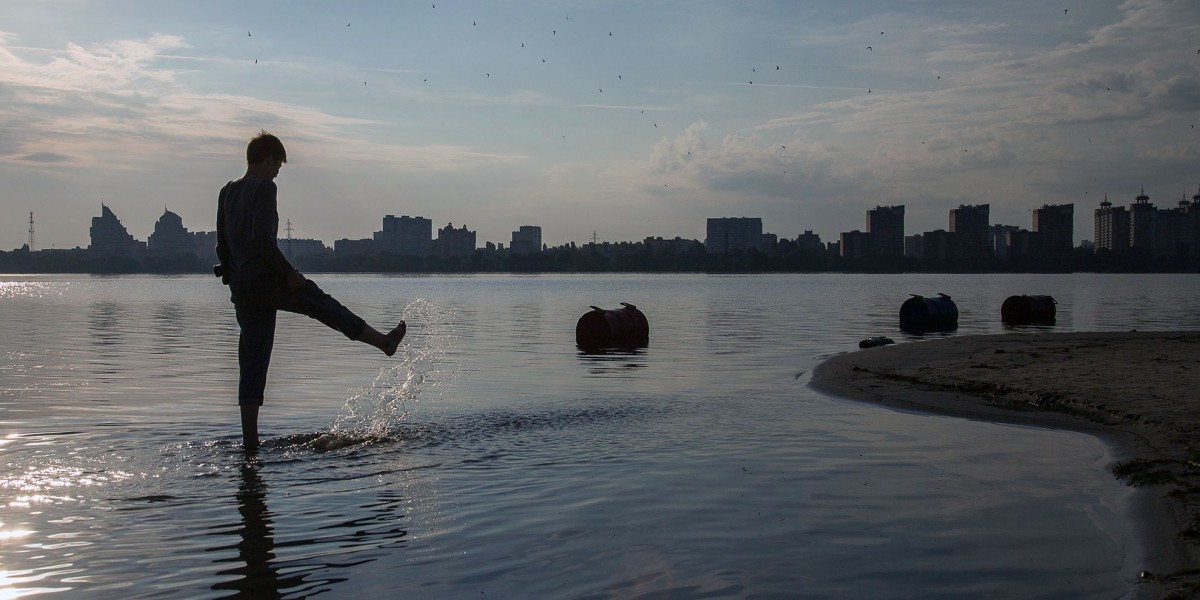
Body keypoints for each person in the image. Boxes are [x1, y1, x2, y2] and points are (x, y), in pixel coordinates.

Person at [216, 130, 406, 453]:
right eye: (277, 165)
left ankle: (250, 444)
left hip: (242, 287)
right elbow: (262, 240)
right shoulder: (264, 188)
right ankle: (384, 342)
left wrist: (231, 276)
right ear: (266, 159)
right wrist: (289, 274)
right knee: (323, 305)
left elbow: (222, 245)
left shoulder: (227, 192)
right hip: (266, 280)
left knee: (252, 359)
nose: (278, 172)